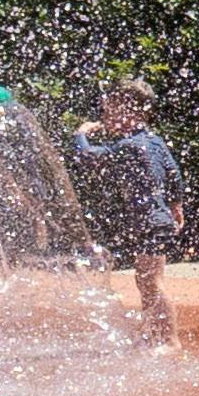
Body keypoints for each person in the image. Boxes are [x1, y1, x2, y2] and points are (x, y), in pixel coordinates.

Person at [70, 77, 180, 344]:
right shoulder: (154, 141)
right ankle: (154, 333)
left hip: (151, 222)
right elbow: (174, 172)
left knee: (151, 281)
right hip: (156, 219)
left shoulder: (128, 146)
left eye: (110, 112)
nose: (105, 119)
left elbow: (89, 157)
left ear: (131, 113)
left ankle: (169, 340)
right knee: (146, 279)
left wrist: (80, 135)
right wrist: (176, 206)